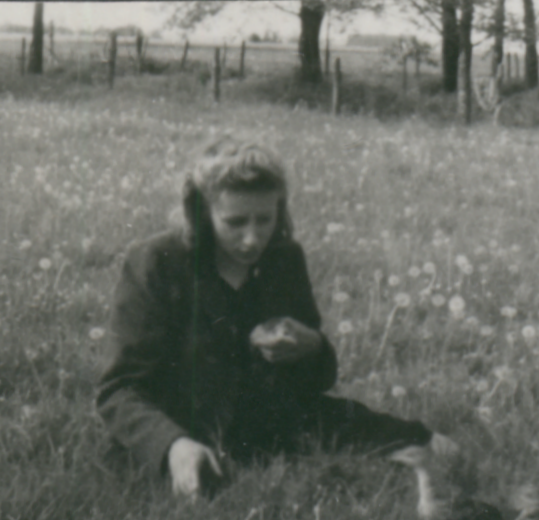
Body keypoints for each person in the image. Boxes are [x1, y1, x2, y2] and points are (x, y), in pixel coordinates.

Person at [97, 135, 456, 497]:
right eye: (235, 222)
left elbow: (314, 384)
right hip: (185, 424)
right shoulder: (157, 262)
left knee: (429, 444)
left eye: (264, 219)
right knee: (208, 487)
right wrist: (172, 446)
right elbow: (119, 390)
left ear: (280, 211)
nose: (252, 239)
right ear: (202, 212)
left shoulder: (284, 258)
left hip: (272, 421)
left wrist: (311, 346)